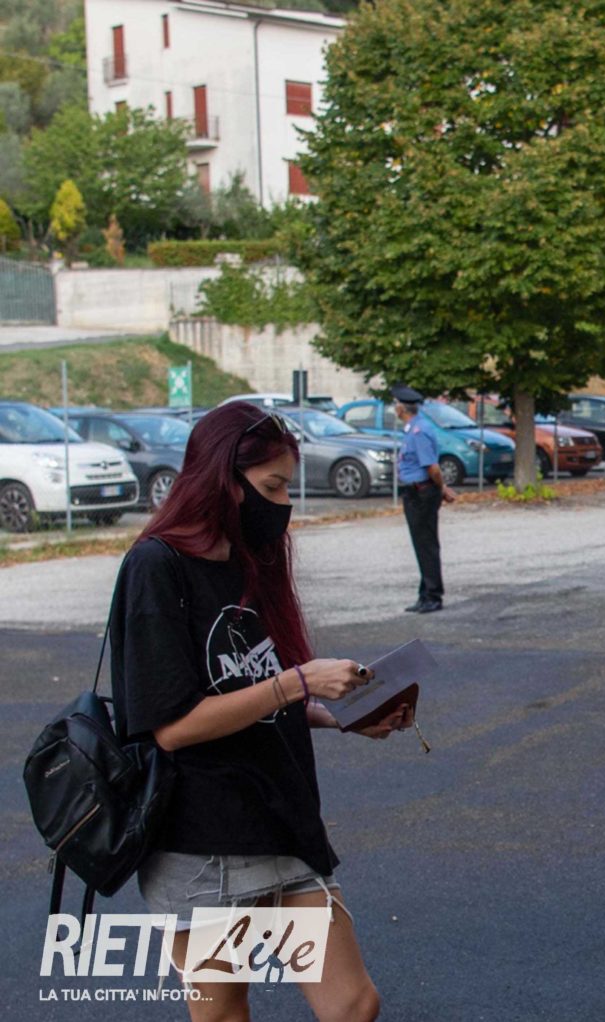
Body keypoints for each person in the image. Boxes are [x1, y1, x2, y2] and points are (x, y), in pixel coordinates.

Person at [111, 401, 414, 1021]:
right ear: (222, 480)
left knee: (352, 1004)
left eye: (287, 488)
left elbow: (252, 691)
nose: (283, 504)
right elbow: (173, 728)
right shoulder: (156, 566)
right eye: (272, 487)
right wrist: (297, 682)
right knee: (225, 1012)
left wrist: (339, 714)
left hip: (282, 819)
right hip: (202, 839)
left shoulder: (253, 561)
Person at [393, 384, 456, 614]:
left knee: (426, 545)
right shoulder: (413, 428)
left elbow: (432, 468)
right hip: (416, 491)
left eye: (395, 404)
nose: (394, 408)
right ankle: (425, 594)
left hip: (421, 493)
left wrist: (441, 488)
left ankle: (433, 595)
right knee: (421, 545)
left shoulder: (419, 431)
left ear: (402, 408)